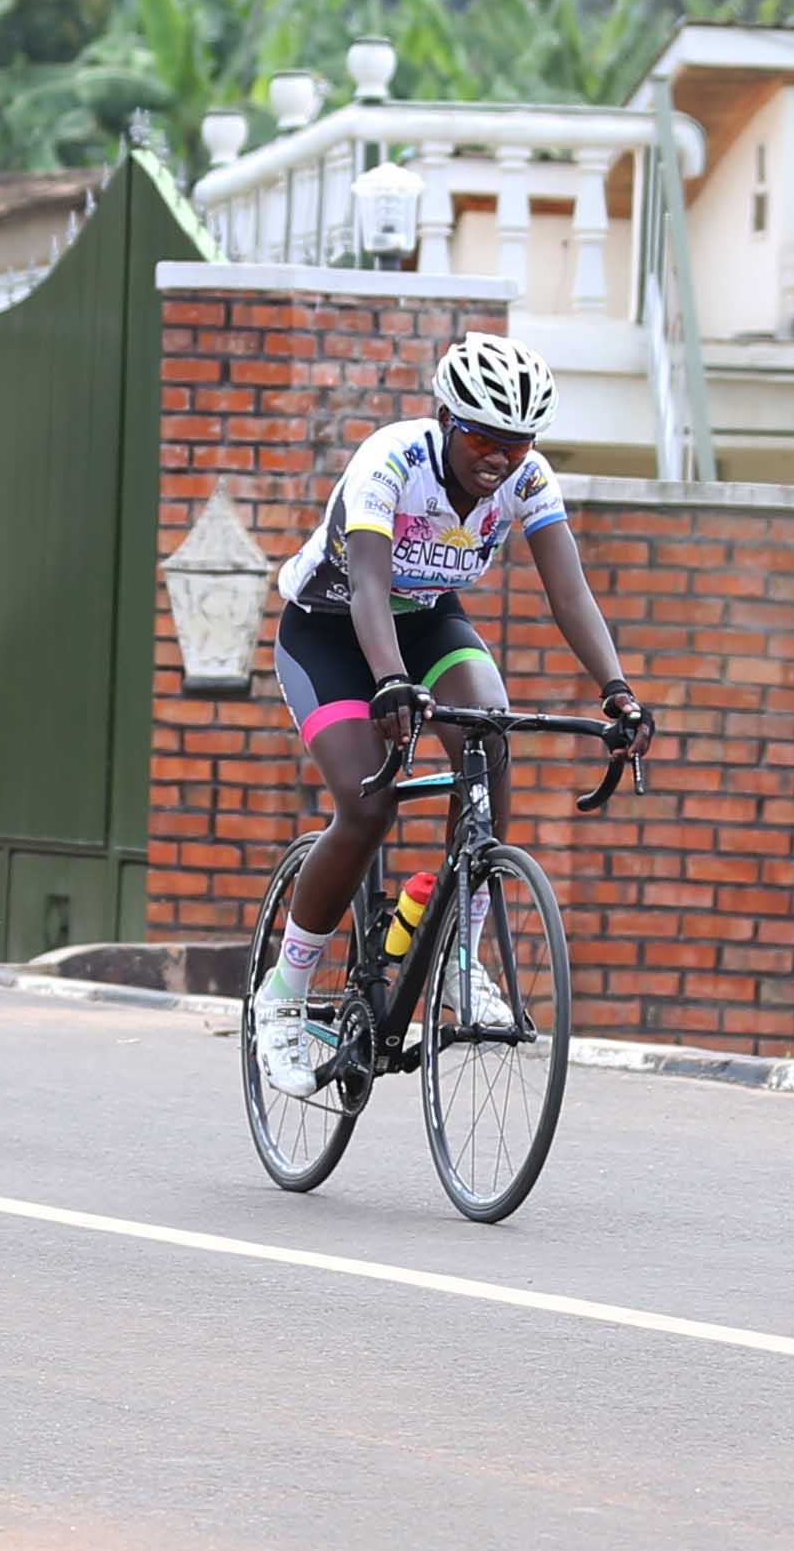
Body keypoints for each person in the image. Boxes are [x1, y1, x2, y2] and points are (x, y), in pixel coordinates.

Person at [247, 332, 649, 1097]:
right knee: (367, 803)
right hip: (333, 626)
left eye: (518, 441)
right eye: (483, 438)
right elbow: (367, 585)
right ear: (444, 419)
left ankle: (462, 957)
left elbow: (570, 593)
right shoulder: (392, 460)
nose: (499, 457)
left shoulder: (527, 482)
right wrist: (391, 681)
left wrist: (618, 688)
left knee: (489, 731)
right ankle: (285, 995)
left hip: (427, 618)